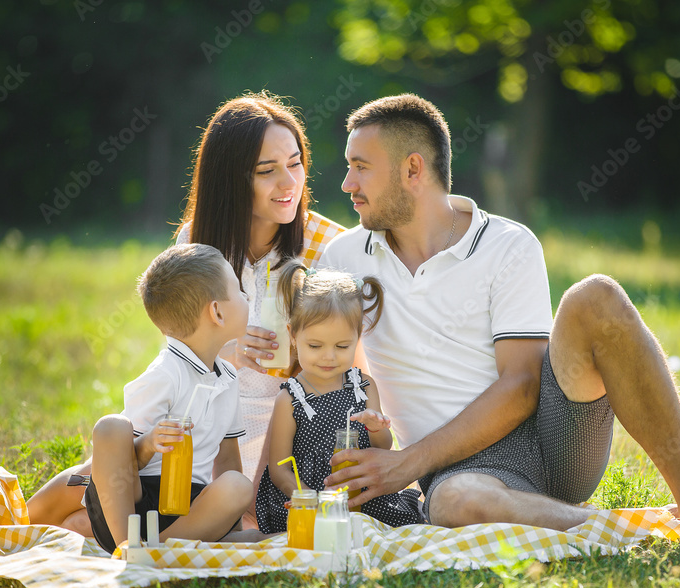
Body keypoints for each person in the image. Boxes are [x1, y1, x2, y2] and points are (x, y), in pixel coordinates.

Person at [320, 94, 680, 561]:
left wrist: (404, 466)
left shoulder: (507, 244)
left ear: (412, 170)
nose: (347, 182)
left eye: (361, 167)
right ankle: (649, 524)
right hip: (458, 471)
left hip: (554, 438)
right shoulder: (341, 259)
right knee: (457, 501)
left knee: (595, 296)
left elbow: (522, 385)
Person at [26, 92, 344, 534]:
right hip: (201, 418)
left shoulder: (329, 246)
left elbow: (346, 368)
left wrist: (303, 352)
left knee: (90, 520)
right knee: (79, 486)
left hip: (278, 431)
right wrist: (231, 351)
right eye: (266, 171)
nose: (288, 182)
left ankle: (138, 545)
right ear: (230, 179)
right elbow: (182, 348)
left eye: (295, 163)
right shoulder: (199, 239)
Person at [85, 243, 254, 554]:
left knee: (238, 485)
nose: (247, 297)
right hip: (133, 506)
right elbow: (123, 464)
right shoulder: (166, 373)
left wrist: (230, 519)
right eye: (240, 290)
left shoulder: (228, 379)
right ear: (216, 311)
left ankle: (159, 550)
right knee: (111, 427)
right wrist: (150, 442)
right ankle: (130, 548)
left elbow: (229, 460)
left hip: (190, 510)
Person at [254, 263, 424, 533]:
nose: (329, 356)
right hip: (311, 500)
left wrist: (376, 427)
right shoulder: (290, 398)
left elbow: (382, 447)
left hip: (363, 496)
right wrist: (309, 498)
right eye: (315, 346)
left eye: (342, 346)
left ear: (358, 336)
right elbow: (279, 468)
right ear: (293, 336)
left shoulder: (364, 386)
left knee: (387, 530)